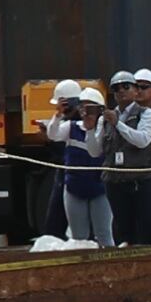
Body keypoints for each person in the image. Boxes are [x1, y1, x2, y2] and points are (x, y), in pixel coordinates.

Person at [108, 70, 151, 247]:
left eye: (126, 86)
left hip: (144, 179)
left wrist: (118, 124)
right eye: (116, 88)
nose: (121, 91)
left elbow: (142, 140)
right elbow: (96, 150)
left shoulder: (149, 114)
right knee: (124, 234)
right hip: (116, 181)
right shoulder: (108, 117)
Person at [46, 80, 113, 243]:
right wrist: (58, 115)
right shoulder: (71, 127)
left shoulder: (106, 130)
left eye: (91, 108)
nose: (86, 112)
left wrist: (92, 128)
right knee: (79, 237)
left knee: (104, 234)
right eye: (83, 107)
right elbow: (52, 135)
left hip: (99, 189)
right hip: (74, 188)